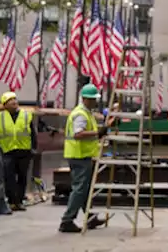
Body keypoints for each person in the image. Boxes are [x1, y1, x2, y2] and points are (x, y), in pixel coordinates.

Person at [60, 84, 111, 233]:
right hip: (79, 155)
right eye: (92, 99)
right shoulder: (81, 114)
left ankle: (90, 217)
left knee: (85, 189)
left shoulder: (86, 112)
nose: (95, 102)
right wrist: (97, 132)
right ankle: (67, 220)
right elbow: (78, 133)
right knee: (80, 189)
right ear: (84, 99)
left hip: (82, 155)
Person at [0, 92, 37, 211]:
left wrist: (33, 148)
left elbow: (33, 133)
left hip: (24, 150)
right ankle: (12, 201)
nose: (14, 102)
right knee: (9, 177)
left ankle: (19, 201)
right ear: (4, 105)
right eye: (10, 100)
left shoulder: (26, 115)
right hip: (7, 151)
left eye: (15, 100)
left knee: (22, 177)